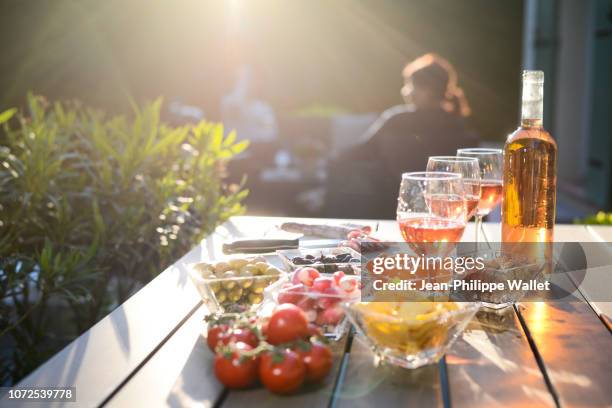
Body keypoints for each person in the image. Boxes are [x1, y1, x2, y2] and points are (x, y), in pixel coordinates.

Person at [325, 53, 478, 219]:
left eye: (411, 85)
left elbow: (359, 152)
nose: (406, 91)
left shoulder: (398, 120)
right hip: (445, 212)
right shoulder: (458, 125)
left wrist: (330, 158)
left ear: (427, 90)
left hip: (393, 205)